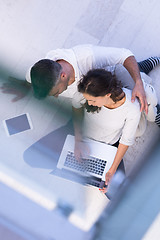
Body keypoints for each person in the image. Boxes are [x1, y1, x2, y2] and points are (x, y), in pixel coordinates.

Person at [72, 68, 158, 193]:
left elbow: (125, 140)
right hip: (84, 139)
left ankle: (142, 70)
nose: (89, 102)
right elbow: (76, 105)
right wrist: (78, 140)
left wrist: (112, 170)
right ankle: (140, 69)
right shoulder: (86, 92)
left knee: (115, 191)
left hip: (108, 145)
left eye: (93, 100)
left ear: (107, 95)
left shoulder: (131, 108)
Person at [26, 44, 148, 113]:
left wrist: (138, 83)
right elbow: (29, 79)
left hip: (111, 78)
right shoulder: (36, 73)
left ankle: (139, 68)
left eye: (57, 92)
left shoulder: (88, 56)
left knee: (142, 98)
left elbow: (124, 54)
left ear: (63, 76)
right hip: (95, 97)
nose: (57, 96)